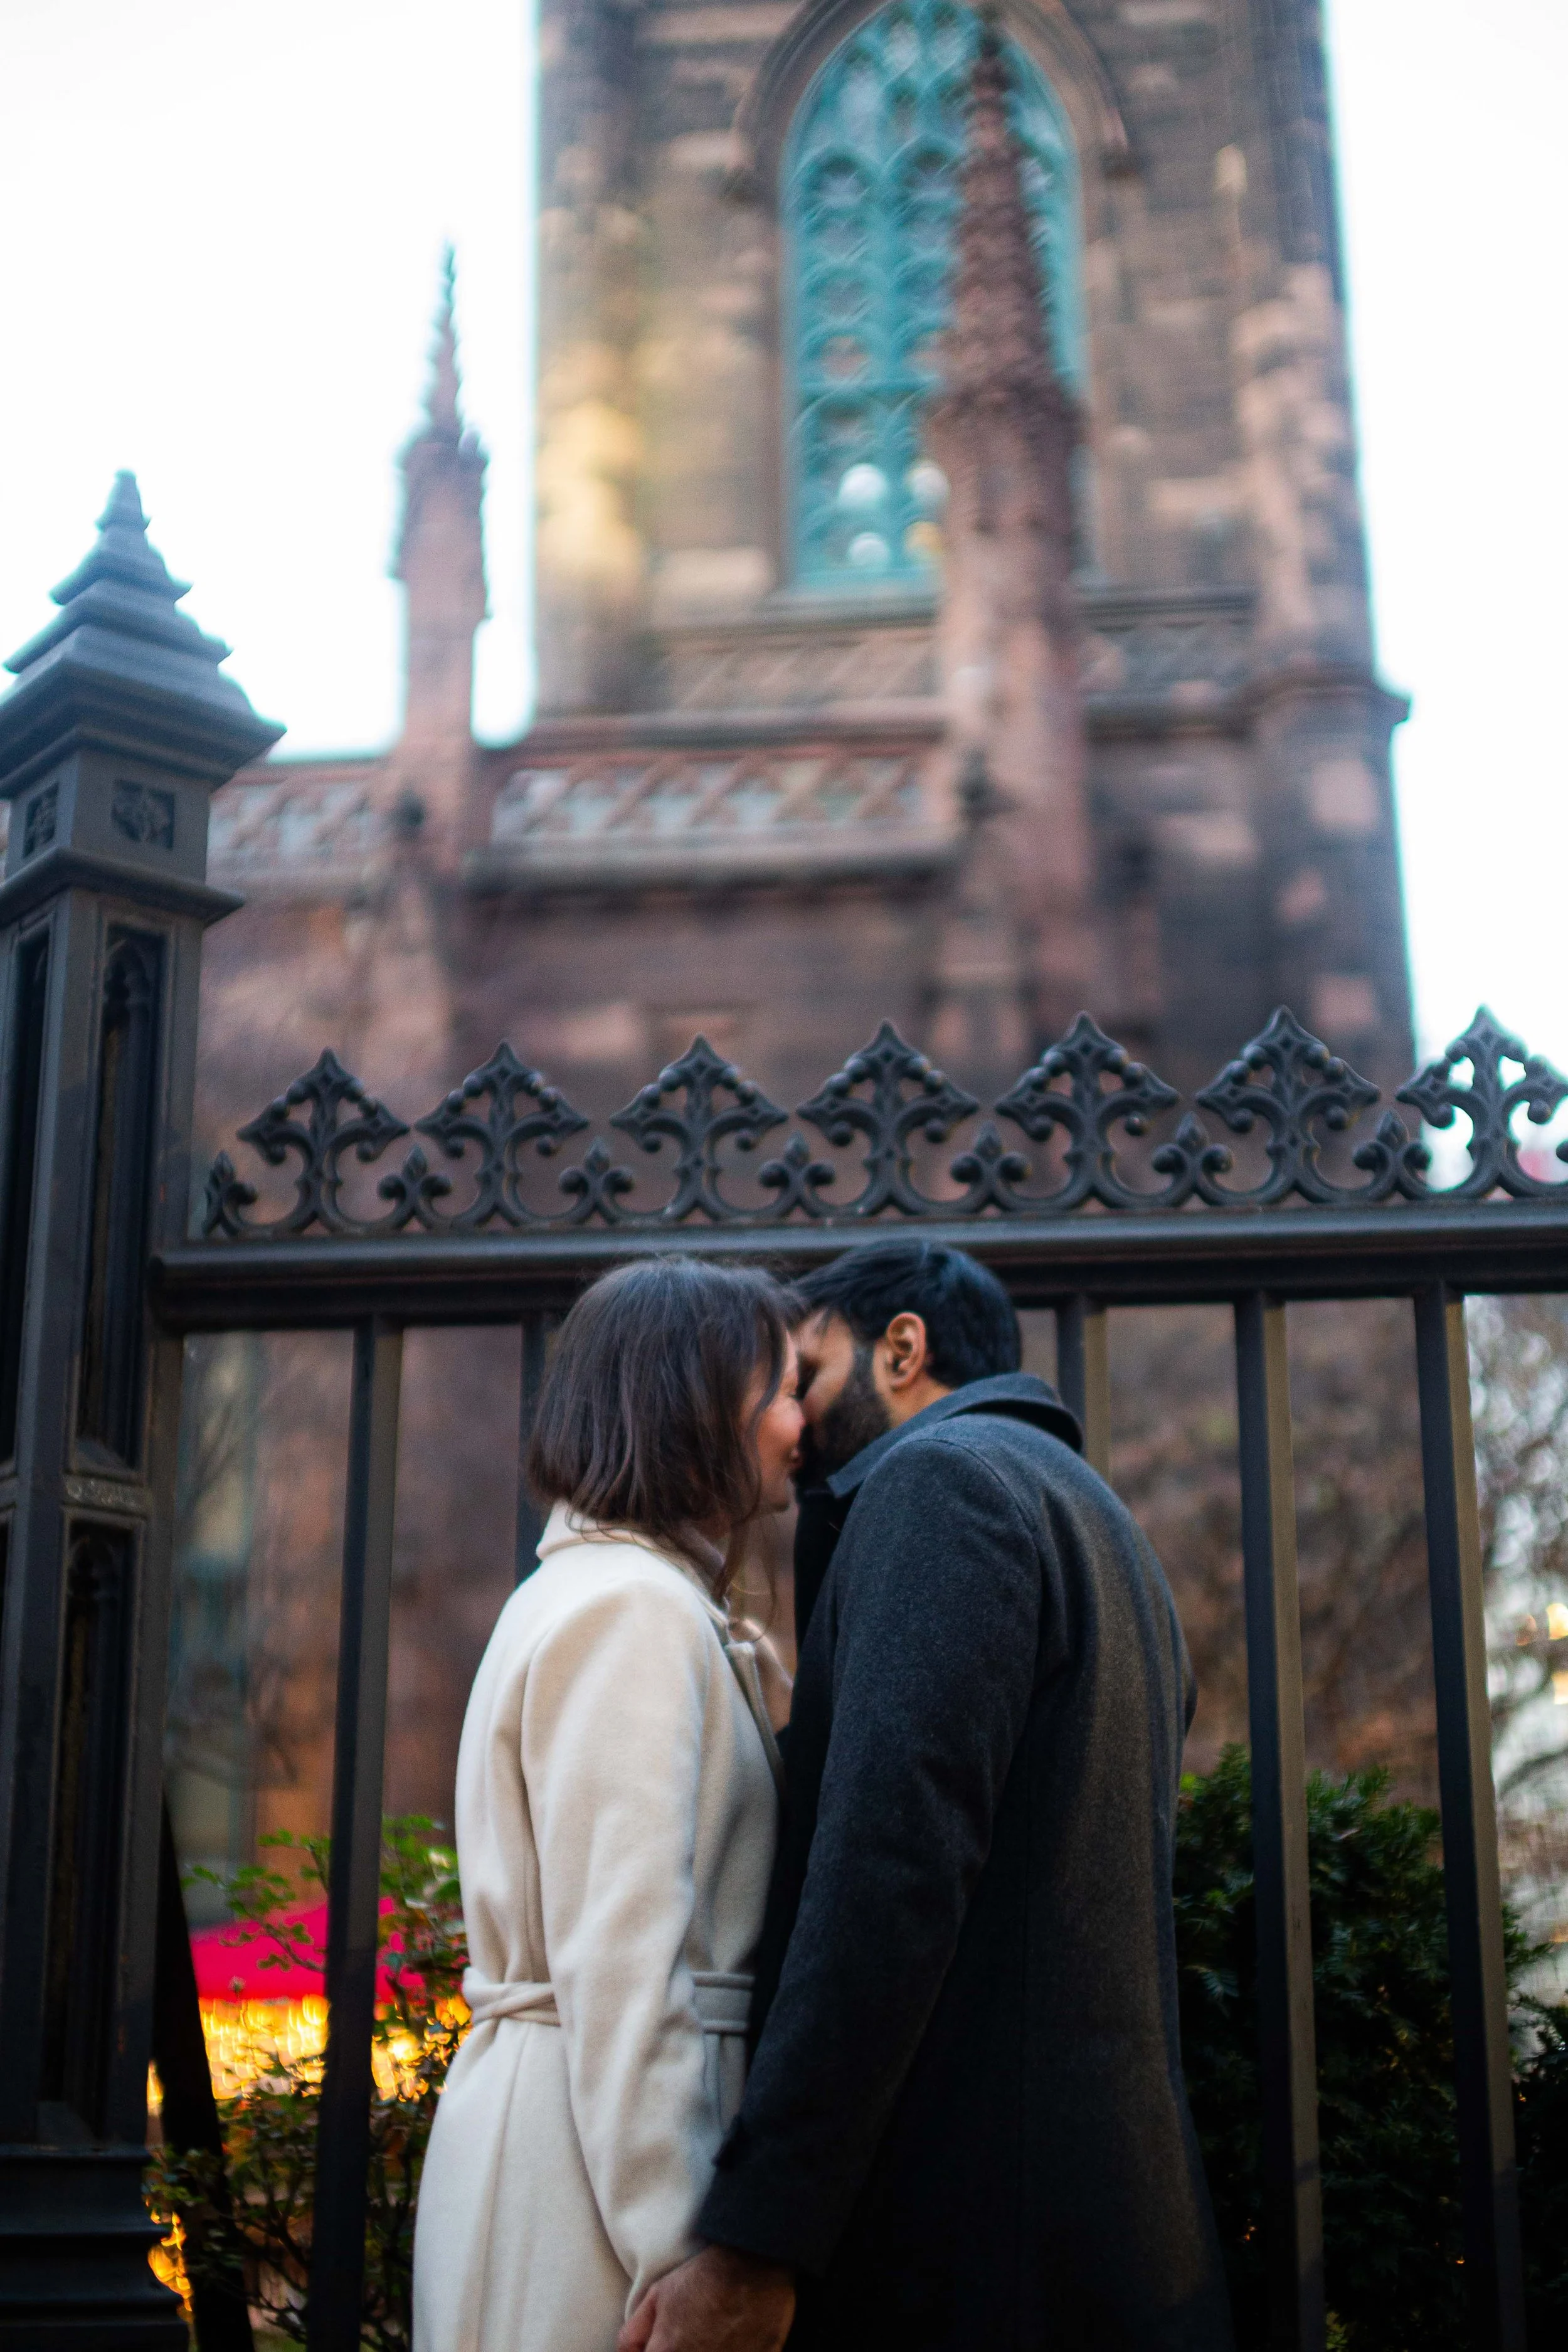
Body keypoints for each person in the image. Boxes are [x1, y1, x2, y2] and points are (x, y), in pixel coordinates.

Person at [622, 1239, 1233, 2352]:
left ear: (903, 1347)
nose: (794, 1421)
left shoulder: (940, 1483)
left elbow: (888, 1873)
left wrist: (760, 2238)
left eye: (805, 1371)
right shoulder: (1100, 1523)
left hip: (977, 2254)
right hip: (1100, 2242)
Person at [413, 1258, 803, 2352]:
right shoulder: (630, 1607)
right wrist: (684, 2255)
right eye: (776, 1388)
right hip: (587, 2196)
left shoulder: (615, 1591)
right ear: (696, 1404)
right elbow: (623, 1956)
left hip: (572, 2159)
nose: (798, 1416)